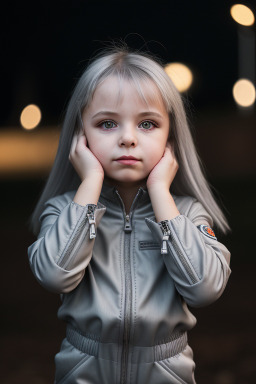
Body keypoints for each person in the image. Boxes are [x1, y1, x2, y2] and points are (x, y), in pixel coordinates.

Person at [28, 45, 231, 384]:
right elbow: (53, 275)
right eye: (107, 123)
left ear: (171, 136)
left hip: (166, 370)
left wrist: (162, 198)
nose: (127, 138)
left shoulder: (187, 212)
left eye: (147, 124)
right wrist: (90, 182)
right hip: (83, 370)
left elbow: (205, 288)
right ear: (80, 135)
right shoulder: (65, 210)